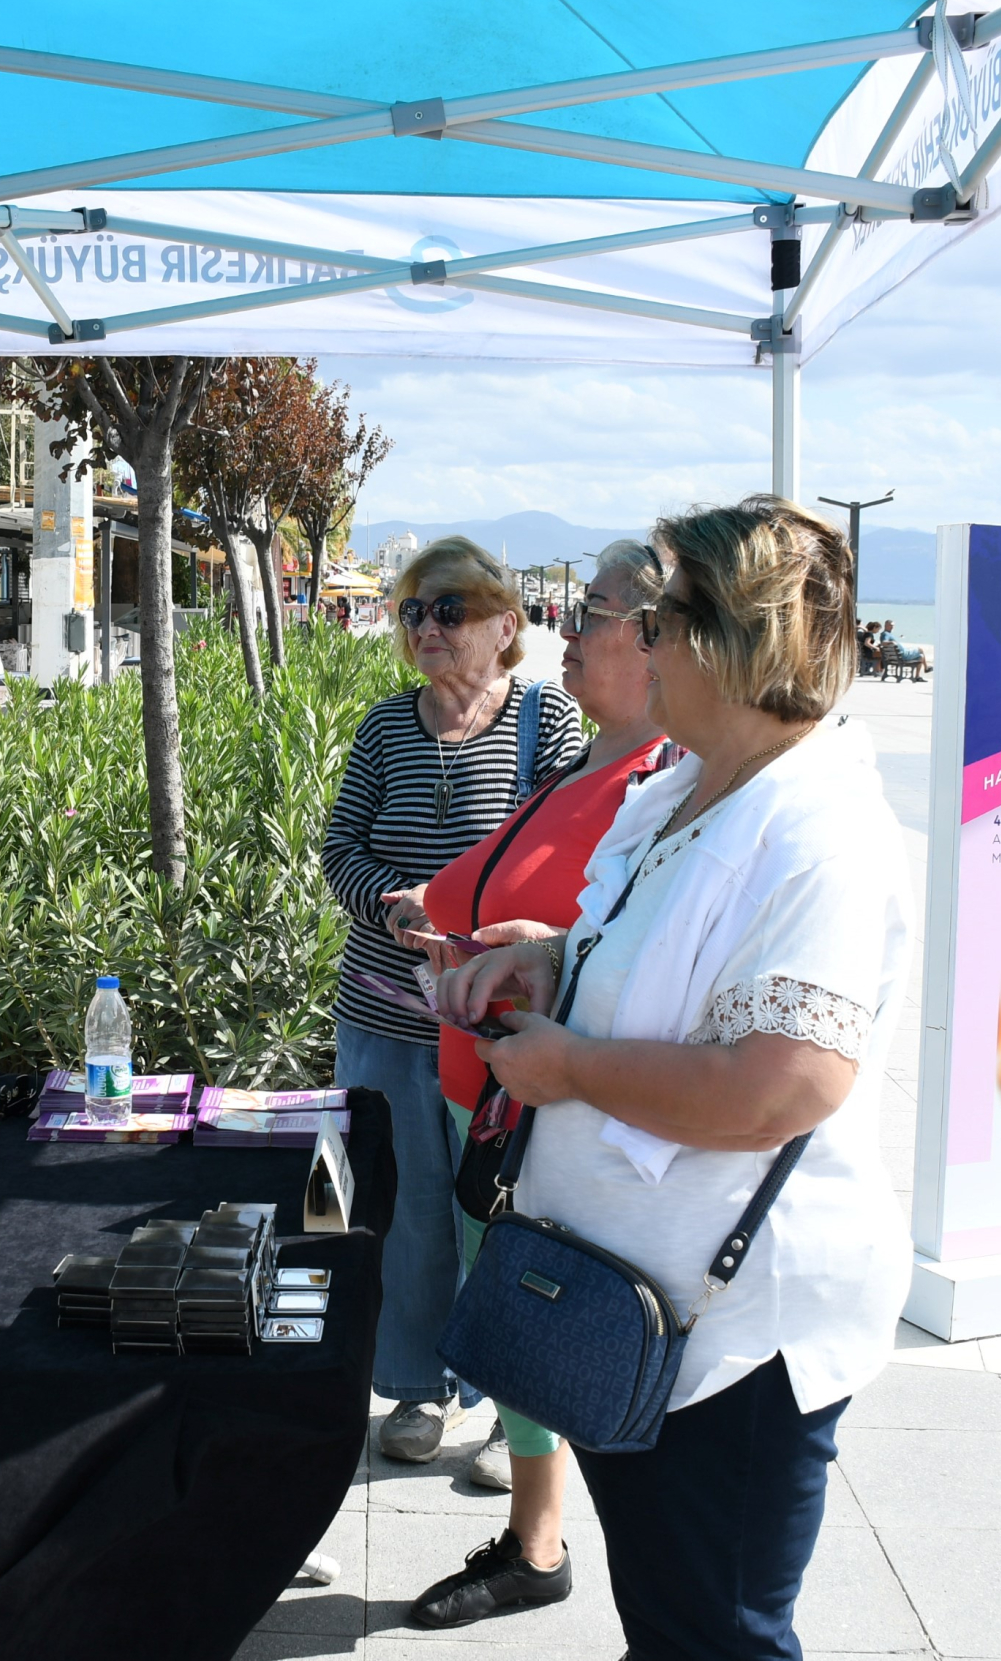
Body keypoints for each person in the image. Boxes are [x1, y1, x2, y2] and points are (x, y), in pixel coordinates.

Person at [438, 495, 912, 1661]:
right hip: (634, 1299)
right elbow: (631, 946)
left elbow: (782, 1085)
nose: (643, 642)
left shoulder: (819, 829)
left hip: (734, 1334)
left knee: (719, 1632)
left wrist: (573, 1068)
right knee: (669, 1618)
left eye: (665, 619)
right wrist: (542, 960)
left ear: (731, 641)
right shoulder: (680, 788)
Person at [392, 537, 670, 1628]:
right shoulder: (588, 761)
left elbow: (601, 937)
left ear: (657, 643)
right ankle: (535, 1530)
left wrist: (496, 944)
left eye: (591, 610)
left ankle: (540, 1539)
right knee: (505, 1308)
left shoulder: (651, 783)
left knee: (531, 1316)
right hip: (490, 1086)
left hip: (532, 1100)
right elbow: (502, 876)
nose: (569, 627)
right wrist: (435, 913)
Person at [321, 537, 582, 1464]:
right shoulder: (387, 727)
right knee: (408, 1212)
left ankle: (511, 1409)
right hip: (385, 1013)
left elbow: (568, 858)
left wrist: (469, 918)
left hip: (494, 1020)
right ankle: (419, 1389)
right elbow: (339, 851)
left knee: (502, 1214)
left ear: (505, 624)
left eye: (449, 611)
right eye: (413, 612)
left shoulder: (546, 726)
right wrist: (396, 906)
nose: (425, 628)